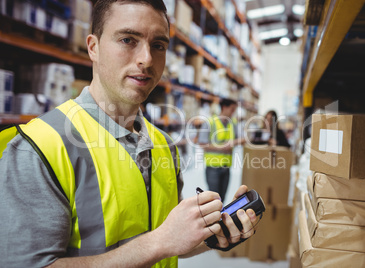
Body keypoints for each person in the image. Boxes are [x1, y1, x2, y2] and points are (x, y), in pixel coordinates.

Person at [0, 1, 258, 267]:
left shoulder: (164, 145)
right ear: (93, 47)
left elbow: (170, 241)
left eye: (158, 45)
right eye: (127, 40)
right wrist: (159, 242)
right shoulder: (39, 148)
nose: (146, 58)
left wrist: (212, 237)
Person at [198, 98, 245, 203]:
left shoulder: (233, 123)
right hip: (213, 167)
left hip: (226, 167)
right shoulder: (210, 122)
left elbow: (243, 139)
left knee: (222, 198)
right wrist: (221, 147)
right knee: (214, 199)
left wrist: (233, 143)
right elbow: (202, 143)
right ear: (224, 107)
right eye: (232, 109)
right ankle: (213, 219)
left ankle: (220, 218)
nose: (234, 112)